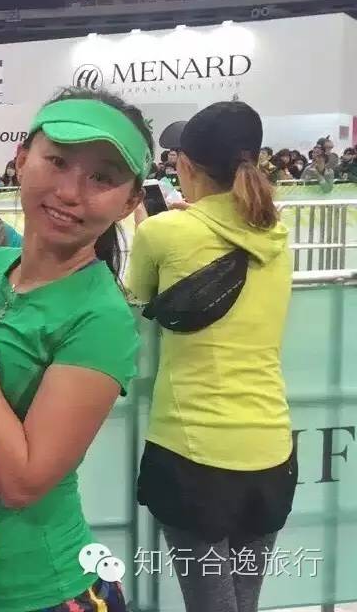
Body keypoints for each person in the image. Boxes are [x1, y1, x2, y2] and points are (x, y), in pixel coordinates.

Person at [0, 87, 153, 612]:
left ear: (130, 202)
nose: (70, 192)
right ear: (20, 159)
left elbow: (21, 482)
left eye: (102, 177)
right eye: (57, 162)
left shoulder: (101, 316)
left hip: (47, 588)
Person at [127, 101, 296, 612]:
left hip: (194, 454)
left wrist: (153, 224)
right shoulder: (277, 234)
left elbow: (136, 300)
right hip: (272, 451)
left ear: (184, 166)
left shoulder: (163, 232)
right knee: (241, 602)